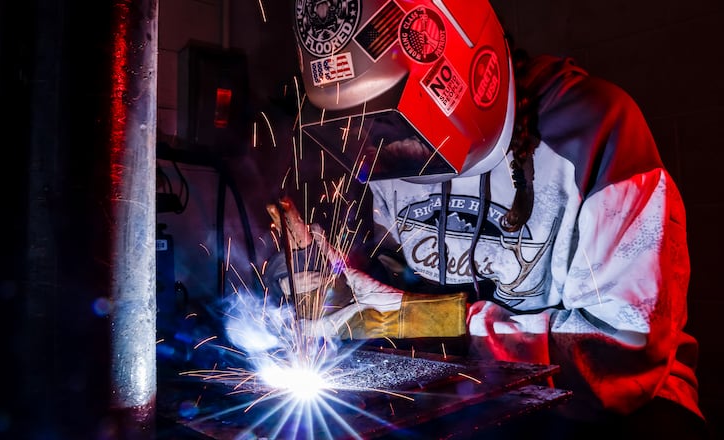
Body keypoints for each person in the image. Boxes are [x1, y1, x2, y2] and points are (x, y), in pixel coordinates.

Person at [264, 0, 710, 438]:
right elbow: (397, 286)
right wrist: (340, 279)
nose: (374, 142)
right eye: (358, 123)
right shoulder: (385, 154)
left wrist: (423, 320)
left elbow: (623, 357)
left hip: (615, 413)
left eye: (387, 118)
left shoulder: (595, 128)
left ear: (463, 66)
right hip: (473, 395)